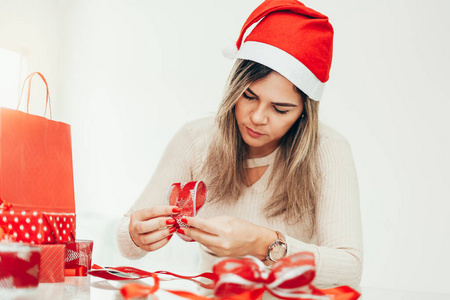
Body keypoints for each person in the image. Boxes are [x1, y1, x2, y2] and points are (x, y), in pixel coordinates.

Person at [116, 0, 363, 289]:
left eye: (280, 109)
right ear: (234, 87)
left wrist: (265, 243)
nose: (257, 117)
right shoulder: (196, 140)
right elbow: (126, 240)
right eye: (248, 96)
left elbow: (350, 270)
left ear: (304, 112)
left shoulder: (329, 149)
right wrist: (135, 234)